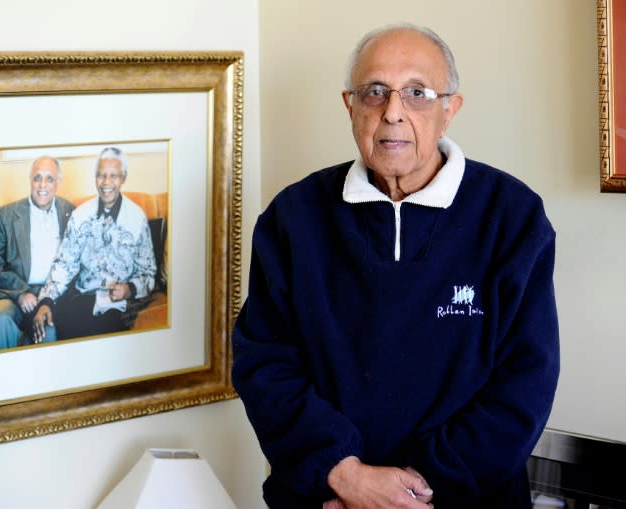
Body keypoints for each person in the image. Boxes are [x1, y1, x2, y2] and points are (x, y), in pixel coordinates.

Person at [232, 23, 560, 509]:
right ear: (350, 106)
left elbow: (524, 384)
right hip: (325, 498)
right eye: (375, 93)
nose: (393, 113)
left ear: (451, 109)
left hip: (465, 499)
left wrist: (412, 489)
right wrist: (344, 475)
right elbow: (265, 364)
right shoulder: (293, 218)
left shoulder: (511, 216)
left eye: (417, 93)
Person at [32, 146, 157, 341]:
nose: (106, 183)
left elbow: (148, 273)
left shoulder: (136, 218)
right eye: (101, 176)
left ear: (123, 177)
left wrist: (130, 289)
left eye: (113, 176)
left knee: (105, 331)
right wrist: (46, 301)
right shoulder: (80, 216)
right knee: (63, 325)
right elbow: (65, 264)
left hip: (120, 304)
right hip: (84, 298)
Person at [0, 156, 75, 351]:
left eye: (49, 178)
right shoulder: (5, 215)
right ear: (30, 179)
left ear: (58, 183)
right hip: (8, 294)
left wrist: (47, 299)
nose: (42, 185)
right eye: (37, 177)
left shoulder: (70, 212)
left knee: (49, 331)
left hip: (48, 296)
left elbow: (74, 263)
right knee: (1, 322)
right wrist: (22, 292)